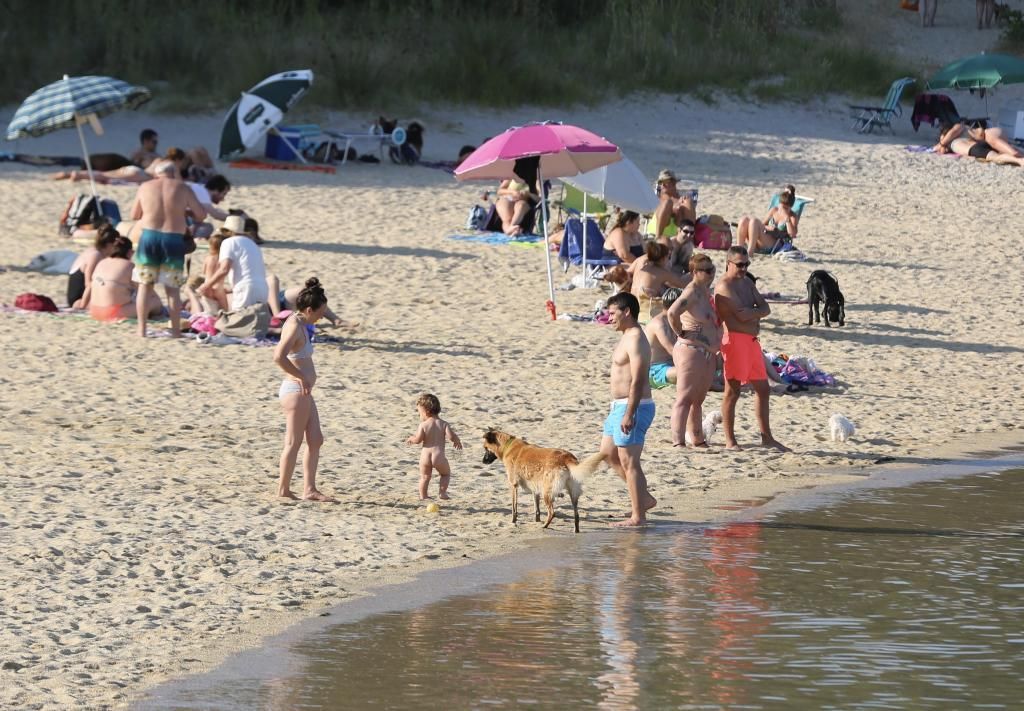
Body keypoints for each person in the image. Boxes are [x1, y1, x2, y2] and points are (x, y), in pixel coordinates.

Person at [714, 246, 788, 451]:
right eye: (739, 265)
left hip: (752, 342)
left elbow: (766, 308)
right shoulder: (724, 286)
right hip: (735, 342)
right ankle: (730, 440)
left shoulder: (746, 282)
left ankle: (767, 438)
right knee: (733, 391)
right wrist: (753, 312)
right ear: (728, 263)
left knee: (763, 390)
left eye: (746, 264)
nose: (744, 269)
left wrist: (752, 312)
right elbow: (741, 316)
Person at [273, 278, 336, 502]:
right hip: (295, 391)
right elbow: (278, 357)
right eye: (319, 313)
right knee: (293, 442)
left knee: (316, 439)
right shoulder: (293, 327)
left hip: (304, 392)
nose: (321, 317)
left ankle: (309, 489)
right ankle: (283, 490)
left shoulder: (301, 322)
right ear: (308, 309)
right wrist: (300, 377)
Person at [130, 160, 207, 337]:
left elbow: (134, 215)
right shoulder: (183, 187)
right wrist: (182, 211)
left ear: (157, 174)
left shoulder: (145, 186)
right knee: (172, 289)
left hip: (149, 237)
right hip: (173, 239)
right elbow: (201, 215)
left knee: (144, 285)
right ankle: (175, 330)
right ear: (173, 173)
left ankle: (141, 330)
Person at [600, 292, 657, 528]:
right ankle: (643, 499)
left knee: (629, 461)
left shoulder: (636, 339)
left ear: (627, 312)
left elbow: (638, 379)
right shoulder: (625, 336)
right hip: (619, 406)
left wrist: (629, 413)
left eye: (612, 313)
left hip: (634, 406)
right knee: (608, 453)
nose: (609, 318)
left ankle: (638, 517)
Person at [666, 253, 722, 448]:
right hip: (691, 349)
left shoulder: (705, 292)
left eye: (712, 269)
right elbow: (672, 312)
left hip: (706, 352)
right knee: (684, 397)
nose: (711, 273)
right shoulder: (692, 292)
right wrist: (681, 331)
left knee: (698, 399)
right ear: (694, 272)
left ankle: (697, 439)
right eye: (706, 270)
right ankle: (678, 442)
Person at [197, 215, 268, 311]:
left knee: (239, 320)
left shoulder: (228, 242)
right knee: (256, 321)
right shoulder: (253, 244)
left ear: (226, 231)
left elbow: (224, 269)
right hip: (263, 288)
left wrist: (206, 285)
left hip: (245, 288)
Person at [89, 236, 163, 322]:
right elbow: (147, 291)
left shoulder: (102, 262)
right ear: (130, 252)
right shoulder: (129, 266)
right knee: (154, 302)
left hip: (94, 311)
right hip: (112, 313)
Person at [406, 393, 463, 500]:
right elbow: (451, 436)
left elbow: (418, 440)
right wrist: (456, 440)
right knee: (445, 474)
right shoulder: (444, 424)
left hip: (425, 456)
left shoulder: (423, 425)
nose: (420, 416)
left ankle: (423, 496)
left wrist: (411, 439)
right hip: (439, 456)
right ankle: (442, 493)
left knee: (425, 477)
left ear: (427, 411)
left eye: (420, 413)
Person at [629, 241, 691, 321]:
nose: (669, 261)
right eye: (668, 257)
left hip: (633, 311)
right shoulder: (662, 273)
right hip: (647, 315)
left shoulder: (643, 269)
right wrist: (693, 274)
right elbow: (683, 285)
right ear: (663, 258)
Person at [735, 184, 799, 256]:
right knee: (744, 219)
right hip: (761, 240)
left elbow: (792, 234)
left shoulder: (792, 217)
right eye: (781, 206)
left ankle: (750, 253)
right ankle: (738, 250)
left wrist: (787, 219)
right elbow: (762, 224)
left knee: (754, 221)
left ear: (790, 207)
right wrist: (768, 227)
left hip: (775, 245)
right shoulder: (774, 210)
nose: (781, 209)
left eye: (785, 208)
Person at [68, 224, 118, 309]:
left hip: (84, 295)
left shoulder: (97, 252)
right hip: (79, 299)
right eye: (116, 246)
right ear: (110, 244)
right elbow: (88, 283)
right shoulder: (96, 255)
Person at [643, 287, 683, 392]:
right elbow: (672, 350)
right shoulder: (659, 324)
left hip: (671, 366)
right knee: (688, 372)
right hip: (655, 370)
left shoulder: (676, 320)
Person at [935, 121, 1024, 166]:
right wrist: (942, 145)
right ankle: (1020, 159)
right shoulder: (956, 138)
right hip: (986, 139)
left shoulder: (959, 127)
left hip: (986, 136)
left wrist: (941, 144)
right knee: (1008, 151)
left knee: (1010, 153)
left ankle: (1020, 160)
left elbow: (952, 132)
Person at [649, 169, 695, 241]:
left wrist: (679, 207)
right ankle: (657, 238)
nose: (662, 185)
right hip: (658, 230)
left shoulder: (681, 200)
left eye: (665, 182)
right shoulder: (657, 197)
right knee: (667, 203)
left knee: (688, 201)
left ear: (673, 183)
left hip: (677, 232)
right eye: (660, 182)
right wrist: (673, 208)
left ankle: (690, 237)